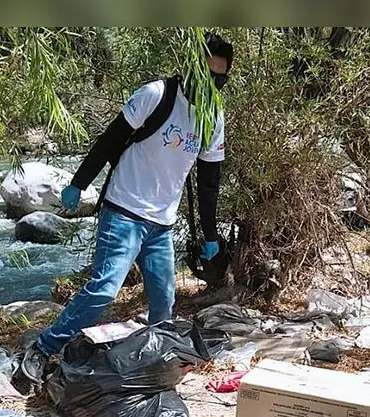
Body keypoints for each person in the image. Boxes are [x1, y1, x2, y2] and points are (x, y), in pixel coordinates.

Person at [16, 31, 234, 386]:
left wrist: (210, 233)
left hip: (161, 222)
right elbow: (111, 139)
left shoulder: (214, 118)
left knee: (163, 304)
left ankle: (153, 363)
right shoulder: (157, 95)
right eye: (205, 74)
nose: (211, 82)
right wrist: (80, 182)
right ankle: (43, 349)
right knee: (104, 289)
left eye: (219, 77)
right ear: (190, 68)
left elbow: (209, 181)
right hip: (124, 209)